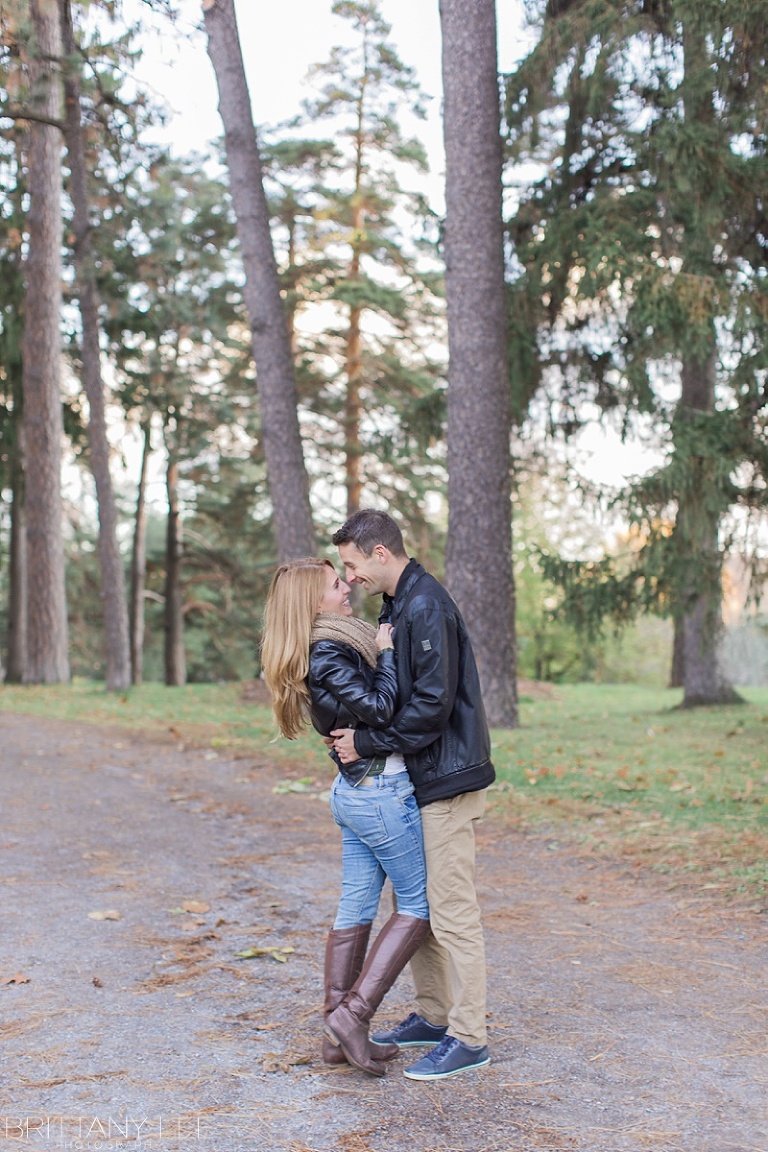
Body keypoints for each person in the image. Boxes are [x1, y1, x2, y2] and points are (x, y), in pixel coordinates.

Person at [329, 510, 494, 1081]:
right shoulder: (398, 604)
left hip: (446, 779)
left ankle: (470, 1037)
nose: (349, 577)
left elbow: (431, 706)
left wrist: (368, 740)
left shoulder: (424, 605)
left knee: (450, 912)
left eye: (352, 565)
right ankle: (432, 1014)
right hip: (418, 780)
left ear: (380, 553)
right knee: (415, 905)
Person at [260, 557, 430, 1077]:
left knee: (355, 906)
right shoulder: (331, 650)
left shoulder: (326, 645)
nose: (348, 587)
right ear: (315, 602)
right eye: (337, 585)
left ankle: (337, 1033)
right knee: (418, 907)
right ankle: (352, 1016)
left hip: (356, 792)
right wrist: (386, 652)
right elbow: (381, 709)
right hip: (379, 790)